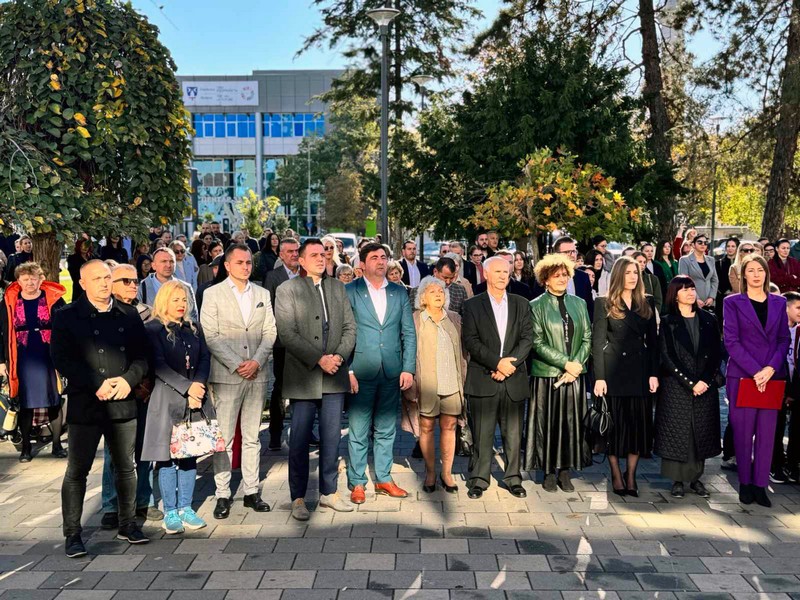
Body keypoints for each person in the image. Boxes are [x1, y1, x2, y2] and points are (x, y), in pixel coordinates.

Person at [51, 260, 150, 557]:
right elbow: (62, 359)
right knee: (77, 470)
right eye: (96, 278)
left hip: (122, 399)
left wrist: (128, 380)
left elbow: (143, 356)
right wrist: (96, 382)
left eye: (107, 277)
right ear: (82, 283)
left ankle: (128, 523)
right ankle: (73, 534)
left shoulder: (129, 314)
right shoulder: (66, 316)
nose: (104, 283)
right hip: (87, 401)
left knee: (125, 466)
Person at [274, 239, 357, 520]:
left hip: (334, 376)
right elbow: (287, 333)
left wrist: (338, 357)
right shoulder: (288, 289)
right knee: (299, 440)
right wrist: (319, 359)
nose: (321, 259)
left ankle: (328, 493)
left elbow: (349, 328)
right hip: (303, 377)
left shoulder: (337, 287)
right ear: (301, 259)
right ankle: (298, 497)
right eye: (314, 255)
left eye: (323, 254)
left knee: (332, 438)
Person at [200, 243, 277, 519]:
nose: (246, 266)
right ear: (227, 266)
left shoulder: (262, 293)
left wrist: (256, 361)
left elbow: (270, 331)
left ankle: (251, 490)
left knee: (252, 437)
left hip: (257, 374)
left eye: (248, 262)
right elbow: (211, 335)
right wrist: (237, 364)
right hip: (226, 375)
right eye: (240, 262)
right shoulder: (212, 294)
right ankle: (222, 494)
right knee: (224, 438)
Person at [345, 242, 417, 504]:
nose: (380, 261)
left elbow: (408, 332)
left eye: (384, 257)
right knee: (359, 429)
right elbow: (344, 333)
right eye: (374, 257)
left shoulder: (398, 293)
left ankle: (384, 478)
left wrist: (408, 368)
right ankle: (357, 483)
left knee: (387, 429)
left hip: (392, 370)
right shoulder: (350, 291)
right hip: (361, 370)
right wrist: (348, 369)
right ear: (362, 264)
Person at [141, 281, 211, 534]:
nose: (181, 305)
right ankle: (170, 511)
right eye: (175, 300)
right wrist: (187, 387)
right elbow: (157, 365)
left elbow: (204, 358)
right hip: (166, 400)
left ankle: (186, 507)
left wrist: (199, 386)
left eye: (184, 300)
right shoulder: (153, 329)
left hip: (195, 399)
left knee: (189, 456)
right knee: (168, 460)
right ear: (164, 301)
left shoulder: (194, 328)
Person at [462, 256, 533, 499]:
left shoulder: (522, 303)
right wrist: (496, 363)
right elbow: (470, 341)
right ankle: (479, 479)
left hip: (513, 378)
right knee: (482, 433)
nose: (504, 275)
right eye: (498, 271)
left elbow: (527, 339)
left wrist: (508, 365)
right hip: (484, 378)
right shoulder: (472, 305)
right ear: (486, 274)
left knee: (513, 433)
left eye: (507, 271)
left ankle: (513, 478)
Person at [99, 263, 162, 530]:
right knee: (115, 452)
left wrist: (146, 383)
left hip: (144, 390)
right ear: (111, 284)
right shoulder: (102, 313)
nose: (133, 285)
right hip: (113, 392)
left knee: (144, 449)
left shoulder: (148, 314)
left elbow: (152, 353)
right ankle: (112, 504)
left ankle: (143, 501)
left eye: (135, 280)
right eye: (125, 281)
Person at [724, 254, 791, 507]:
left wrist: (770, 369)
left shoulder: (778, 301)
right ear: (743, 275)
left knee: (767, 433)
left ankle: (761, 485)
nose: (755, 274)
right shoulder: (732, 303)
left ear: (766, 273)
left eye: (760, 270)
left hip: (772, 377)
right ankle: (745, 483)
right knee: (742, 432)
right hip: (743, 376)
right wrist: (756, 371)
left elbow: (784, 339)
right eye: (750, 270)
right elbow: (731, 341)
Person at [592, 256, 659, 497]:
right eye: (628, 272)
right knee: (614, 427)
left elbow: (653, 343)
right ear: (619, 275)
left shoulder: (646, 302)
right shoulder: (604, 303)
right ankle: (615, 473)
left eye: (636, 272)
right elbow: (597, 342)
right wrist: (599, 377)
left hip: (640, 372)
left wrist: (653, 373)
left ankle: (631, 474)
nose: (633, 276)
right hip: (613, 373)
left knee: (637, 426)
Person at [525, 254, 592, 492]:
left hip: (573, 377)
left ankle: (565, 470)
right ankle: (548, 471)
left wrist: (576, 366)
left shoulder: (579, 303)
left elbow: (587, 338)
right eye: (557, 275)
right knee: (548, 424)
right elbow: (537, 342)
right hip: (546, 375)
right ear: (546, 279)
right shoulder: (535, 306)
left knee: (570, 424)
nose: (562, 279)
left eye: (565, 274)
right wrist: (566, 363)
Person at [654, 276, 721, 499]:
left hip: (705, 385)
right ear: (675, 294)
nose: (690, 293)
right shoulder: (668, 321)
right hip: (676, 386)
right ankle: (677, 480)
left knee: (698, 432)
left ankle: (695, 478)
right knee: (678, 432)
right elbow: (667, 355)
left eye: (692, 288)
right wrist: (690, 382)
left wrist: (704, 381)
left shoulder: (709, 319)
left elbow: (715, 353)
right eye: (684, 290)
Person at [402, 276, 464, 494]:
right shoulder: (415, 319)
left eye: (441, 291)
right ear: (422, 298)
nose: (438, 294)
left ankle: (446, 473)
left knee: (450, 426)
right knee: (426, 427)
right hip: (426, 384)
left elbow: (464, 352)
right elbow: (407, 350)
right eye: (432, 291)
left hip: (451, 382)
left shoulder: (455, 318)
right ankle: (430, 472)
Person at [0, 262, 67, 462]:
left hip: (48, 354)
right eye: (25, 279)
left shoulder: (54, 299)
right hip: (22, 356)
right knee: (26, 404)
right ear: (18, 281)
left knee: (54, 400)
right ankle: (26, 448)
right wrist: (2, 361)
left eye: (33, 278)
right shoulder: (9, 301)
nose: (30, 282)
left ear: (40, 279)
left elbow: (66, 327)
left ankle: (56, 445)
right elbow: (1, 332)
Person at [264, 238, 301, 450]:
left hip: (304, 342)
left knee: (303, 387)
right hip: (281, 343)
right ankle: (275, 433)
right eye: (290, 252)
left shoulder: (305, 274)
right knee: (280, 387)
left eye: (297, 251)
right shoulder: (273, 276)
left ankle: (302, 431)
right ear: (281, 255)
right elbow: (268, 308)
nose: (294, 255)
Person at [770, 291, 800, 483]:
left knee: (795, 429)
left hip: (795, 387)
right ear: (786, 307)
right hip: (777, 385)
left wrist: (793, 391)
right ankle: (775, 465)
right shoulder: (776, 331)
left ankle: (792, 464)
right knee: (776, 427)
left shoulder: (798, 331)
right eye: (797, 307)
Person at [531, 238, 594, 317]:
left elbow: (589, 308)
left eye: (574, 251)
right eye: (567, 252)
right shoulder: (545, 276)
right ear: (556, 254)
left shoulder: (583, 277)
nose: (572, 255)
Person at [138, 248, 198, 320]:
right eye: (164, 261)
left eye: (172, 261)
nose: (168, 265)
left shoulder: (186, 287)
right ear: (153, 265)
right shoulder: (142, 287)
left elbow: (193, 317)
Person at [679, 234, 718, 310]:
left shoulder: (711, 260)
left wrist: (712, 297)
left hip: (709, 302)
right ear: (693, 245)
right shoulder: (684, 260)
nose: (703, 244)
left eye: (705, 243)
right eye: (700, 242)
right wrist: (696, 298)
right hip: (692, 301)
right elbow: (685, 282)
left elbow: (714, 280)